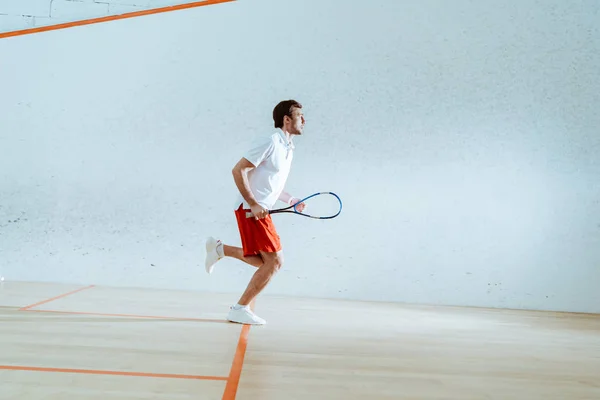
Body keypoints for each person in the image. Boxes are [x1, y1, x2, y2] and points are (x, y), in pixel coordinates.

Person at [204, 99, 306, 325]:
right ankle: (239, 308)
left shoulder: (288, 147)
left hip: (261, 210)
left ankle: (219, 249)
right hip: (252, 209)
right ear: (286, 119)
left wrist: (291, 199)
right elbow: (238, 170)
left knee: (262, 261)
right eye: (300, 116)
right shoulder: (270, 140)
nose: (304, 120)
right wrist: (253, 203)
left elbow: (271, 183)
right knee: (275, 262)